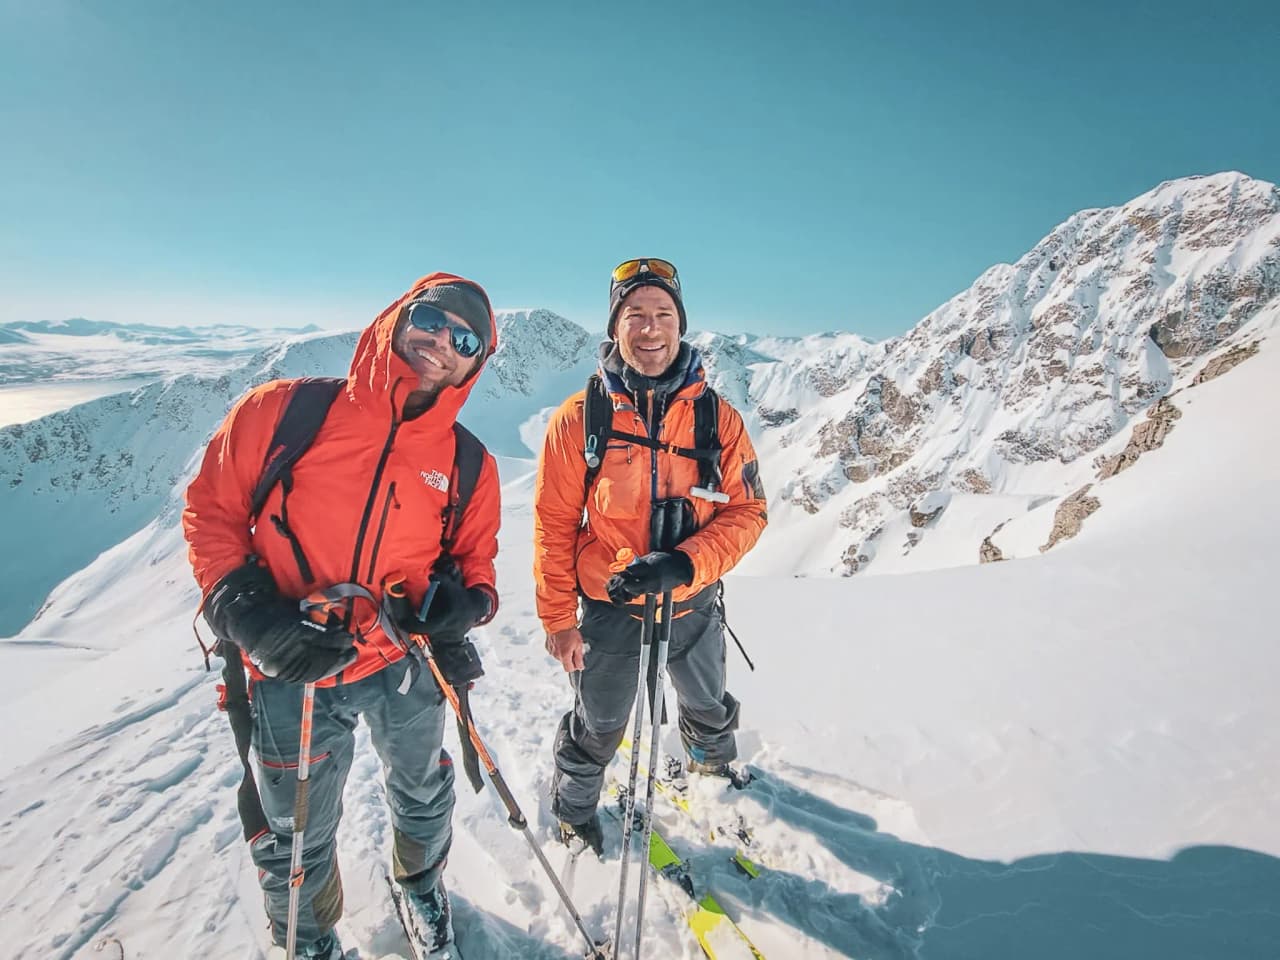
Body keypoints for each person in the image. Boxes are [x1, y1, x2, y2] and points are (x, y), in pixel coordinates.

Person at [183, 273, 501, 959]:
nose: (443, 341)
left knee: (422, 787)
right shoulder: (282, 413)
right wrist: (249, 616)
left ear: (476, 363)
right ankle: (309, 935)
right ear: (398, 317)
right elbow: (211, 512)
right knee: (294, 826)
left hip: (401, 659)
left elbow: (476, 562)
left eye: (465, 339)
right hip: (287, 664)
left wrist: (464, 605)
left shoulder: (468, 462)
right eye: (432, 319)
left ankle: (418, 881)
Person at [533, 258, 768, 854]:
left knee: (708, 705)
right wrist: (559, 619)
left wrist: (687, 563)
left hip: (693, 600)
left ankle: (714, 774)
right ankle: (573, 808)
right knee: (599, 724)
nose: (650, 328)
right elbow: (555, 525)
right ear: (615, 326)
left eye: (663, 313)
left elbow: (748, 512)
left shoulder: (719, 419)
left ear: (681, 324)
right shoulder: (580, 419)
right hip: (610, 605)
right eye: (634, 314)